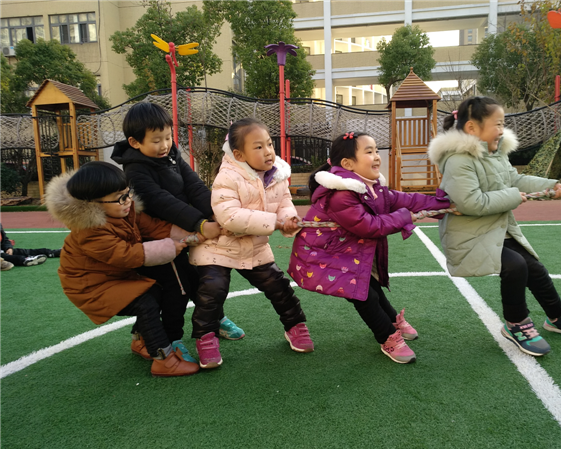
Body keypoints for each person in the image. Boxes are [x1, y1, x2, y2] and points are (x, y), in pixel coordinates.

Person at [428, 96, 561, 357]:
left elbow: (514, 179)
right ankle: (516, 323)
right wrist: (513, 196)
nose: (501, 130)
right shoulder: (458, 160)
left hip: (496, 228)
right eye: (497, 124)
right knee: (515, 266)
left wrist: (551, 186)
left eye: (502, 124)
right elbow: (471, 202)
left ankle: (557, 316)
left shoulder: (495, 154)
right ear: (472, 128)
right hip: (470, 235)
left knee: (534, 268)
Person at [288, 132, 453, 364]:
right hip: (326, 255)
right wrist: (404, 216)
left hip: (348, 252)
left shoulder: (373, 188)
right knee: (363, 296)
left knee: (370, 288)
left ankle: (392, 320)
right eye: (369, 152)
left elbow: (408, 200)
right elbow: (369, 227)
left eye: (376, 150)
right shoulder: (341, 194)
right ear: (348, 164)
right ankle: (387, 336)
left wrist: (443, 203)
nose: (376, 156)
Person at [111, 101, 244, 364]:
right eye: (156, 140)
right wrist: (200, 223)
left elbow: (194, 186)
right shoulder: (135, 170)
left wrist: (217, 213)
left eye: (168, 137)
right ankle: (172, 338)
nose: (164, 145)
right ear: (135, 142)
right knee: (178, 288)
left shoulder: (171, 155)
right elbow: (162, 202)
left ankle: (214, 318)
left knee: (200, 278)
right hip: (160, 239)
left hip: (185, 231)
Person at [45, 161, 201, 377]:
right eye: (120, 198)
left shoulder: (124, 212)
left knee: (154, 292)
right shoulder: (90, 230)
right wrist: (170, 247)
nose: (128, 201)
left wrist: (191, 234)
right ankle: (163, 360)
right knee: (145, 303)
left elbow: (153, 226)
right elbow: (126, 255)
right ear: (93, 203)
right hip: (89, 287)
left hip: (110, 278)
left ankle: (140, 340)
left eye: (128, 193)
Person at [188, 117, 312, 369]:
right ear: (239, 155)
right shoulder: (227, 177)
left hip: (254, 247)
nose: (268, 151)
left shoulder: (278, 175)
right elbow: (230, 217)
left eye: (269, 144)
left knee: (278, 286)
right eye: (258, 147)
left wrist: (289, 219)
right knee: (212, 291)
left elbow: (284, 202)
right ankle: (206, 337)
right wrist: (274, 222)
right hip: (218, 247)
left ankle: (295, 325)